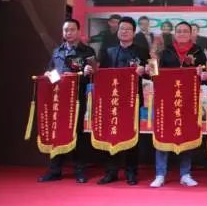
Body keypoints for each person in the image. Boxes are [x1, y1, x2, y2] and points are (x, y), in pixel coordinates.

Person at [37, 19, 96, 183]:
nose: (68, 33)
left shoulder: (87, 51)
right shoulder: (58, 51)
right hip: (58, 98)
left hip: (76, 98)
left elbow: (95, 72)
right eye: (65, 30)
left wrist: (89, 70)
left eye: (71, 30)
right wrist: (49, 75)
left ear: (78, 31)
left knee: (77, 132)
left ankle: (80, 170)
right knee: (57, 132)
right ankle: (55, 170)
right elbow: (50, 71)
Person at [149, 22, 207, 188]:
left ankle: (185, 174)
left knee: (186, 133)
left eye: (185, 31)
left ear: (191, 34)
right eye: (179, 31)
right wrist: (150, 67)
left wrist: (203, 73)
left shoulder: (198, 52)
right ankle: (160, 174)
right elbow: (154, 74)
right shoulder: (165, 51)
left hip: (188, 100)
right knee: (163, 133)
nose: (182, 34)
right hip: (167, 99)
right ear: (175, 34)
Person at [96, 16, 149, 186]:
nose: (124, 31)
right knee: (112, 134)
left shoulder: (142, 51)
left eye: (128, 29)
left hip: (133, 100)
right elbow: (100, 75)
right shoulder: (108, 52)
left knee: (132, 136)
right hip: (112, 100)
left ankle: (131, 172)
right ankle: (111, 171)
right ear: (117, 32)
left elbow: (153, 72)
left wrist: (145, 70)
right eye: (122, 29)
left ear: (134, 32)